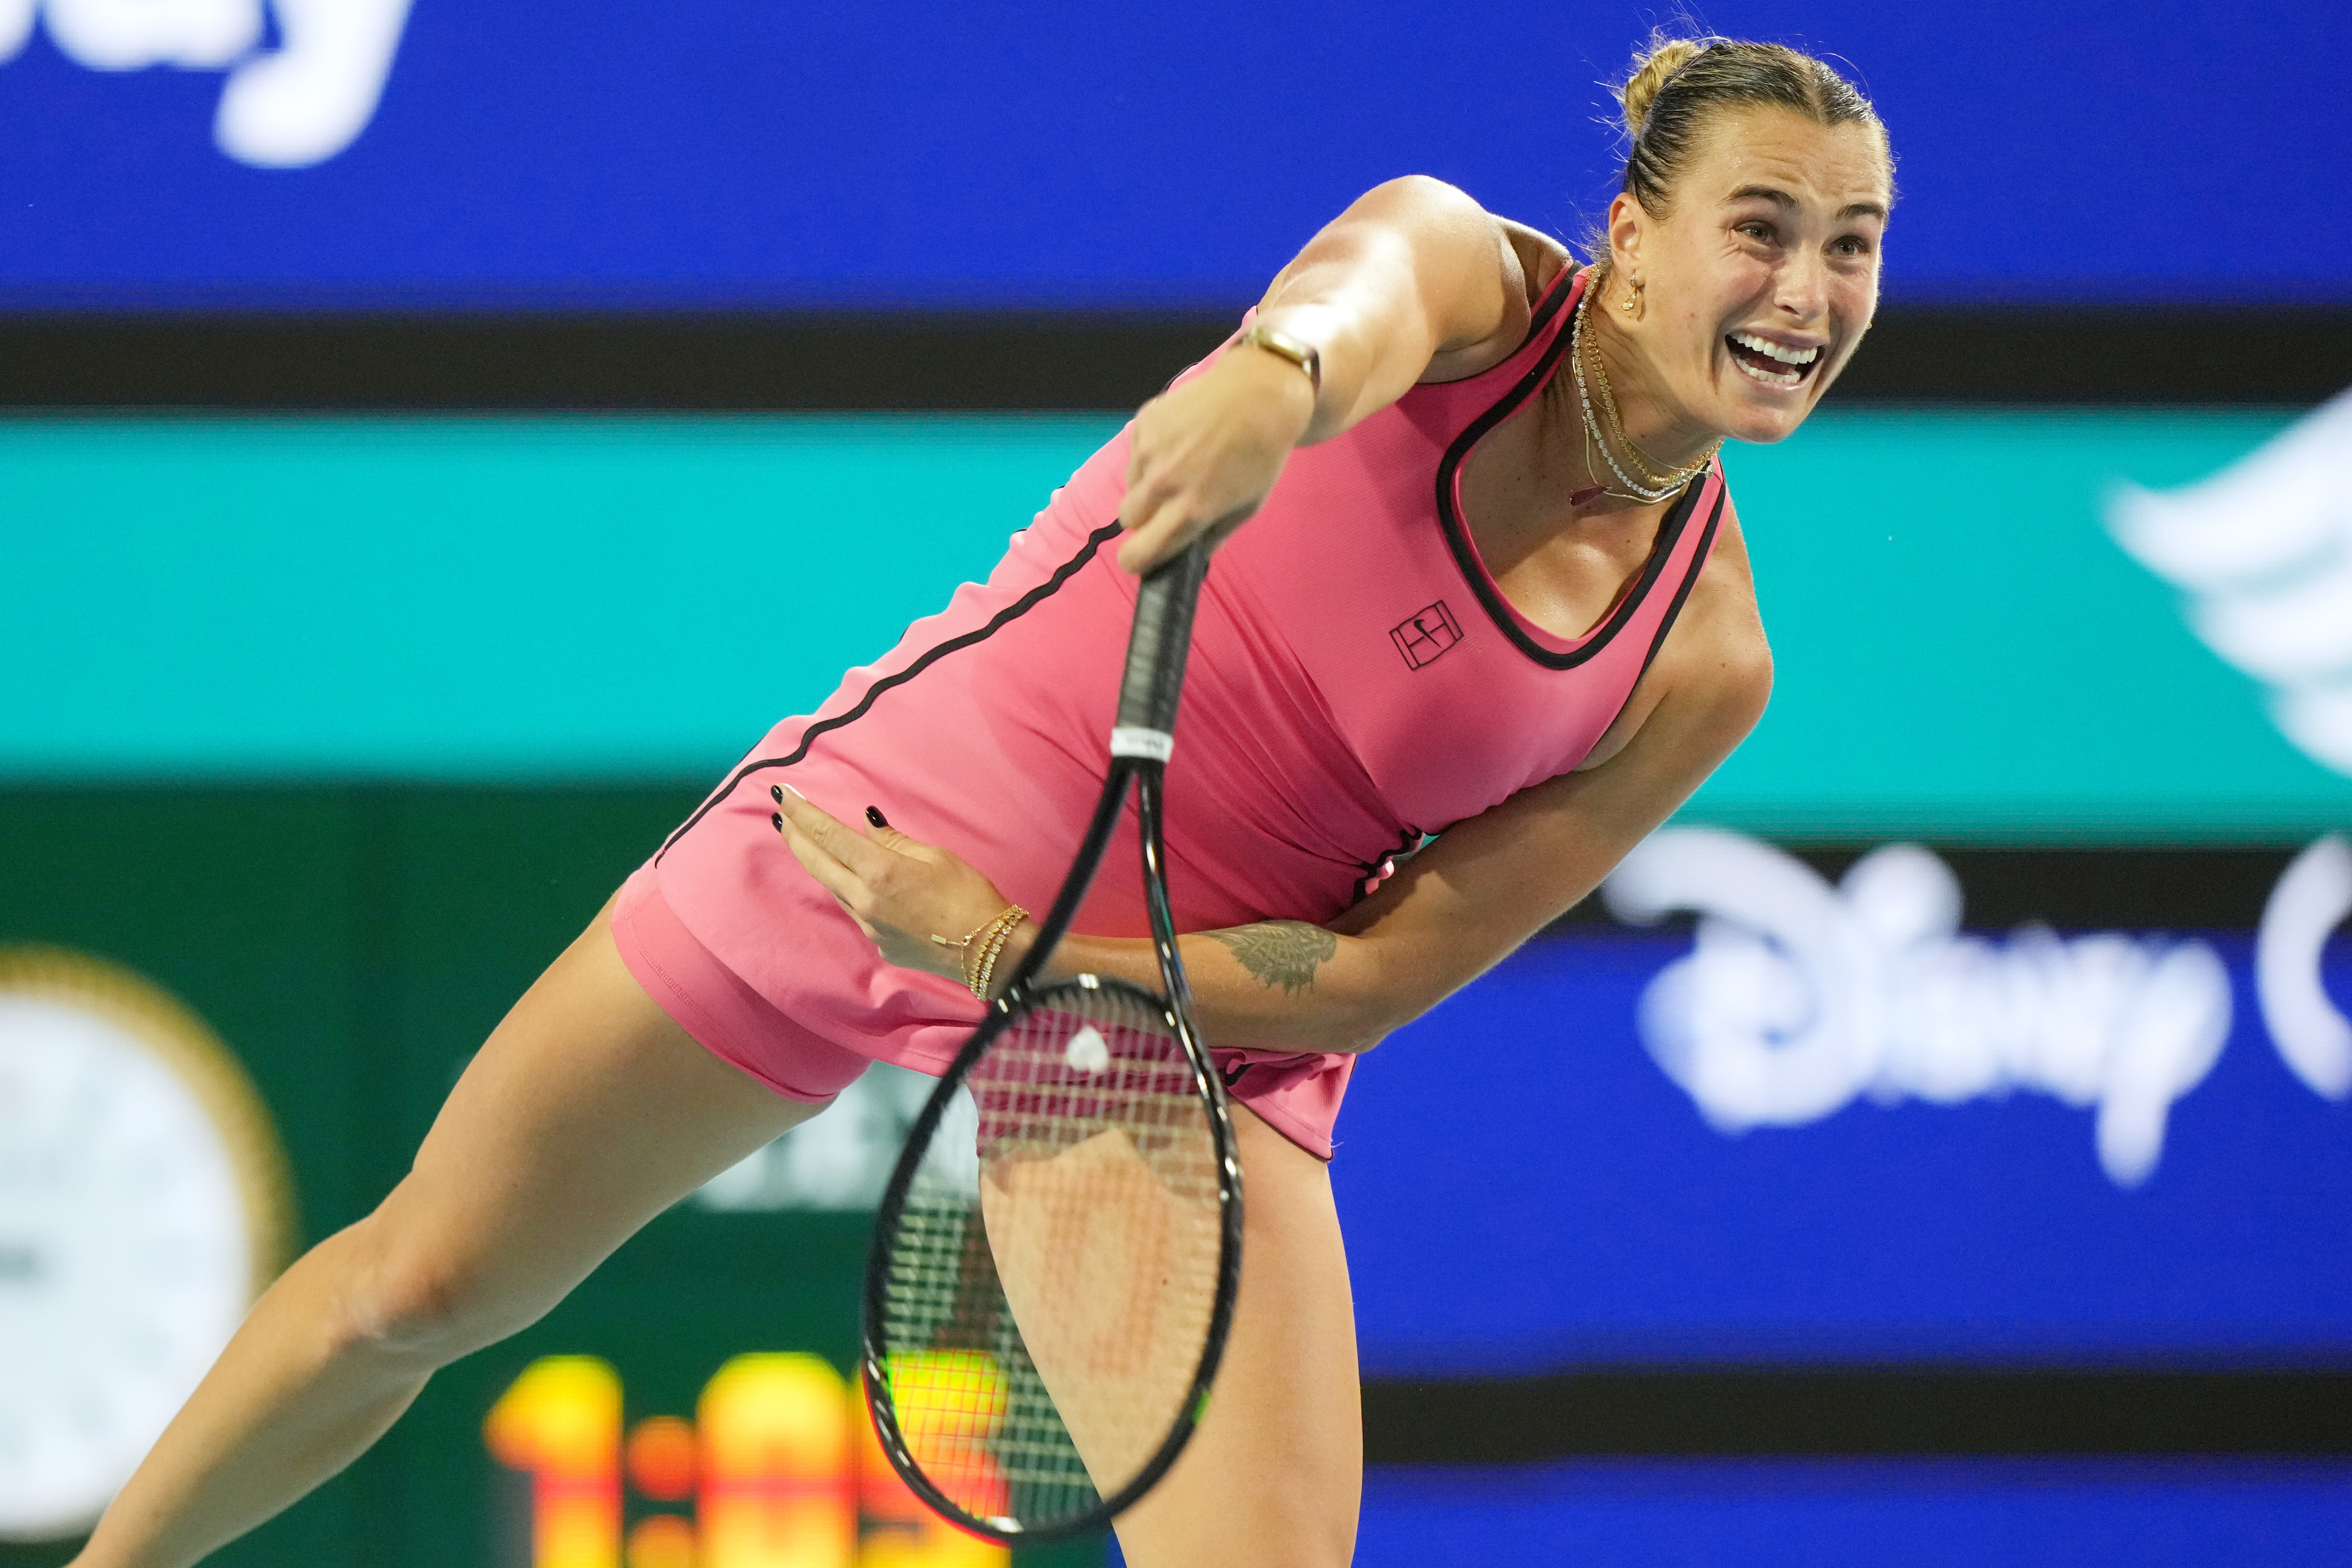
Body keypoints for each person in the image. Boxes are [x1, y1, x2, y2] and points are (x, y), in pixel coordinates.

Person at [74, 33, 1892, 1568]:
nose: (1807, 295)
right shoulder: (1466, 283)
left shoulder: (1704, 660)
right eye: (1762, 228)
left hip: (1165, 1025)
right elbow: (1354, 301)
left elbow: (1373, 978)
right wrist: (1275, 385)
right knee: (420, 1284)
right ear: (1632, 240)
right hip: (875, 829)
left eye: (1853, 246)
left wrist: (1009, 952)